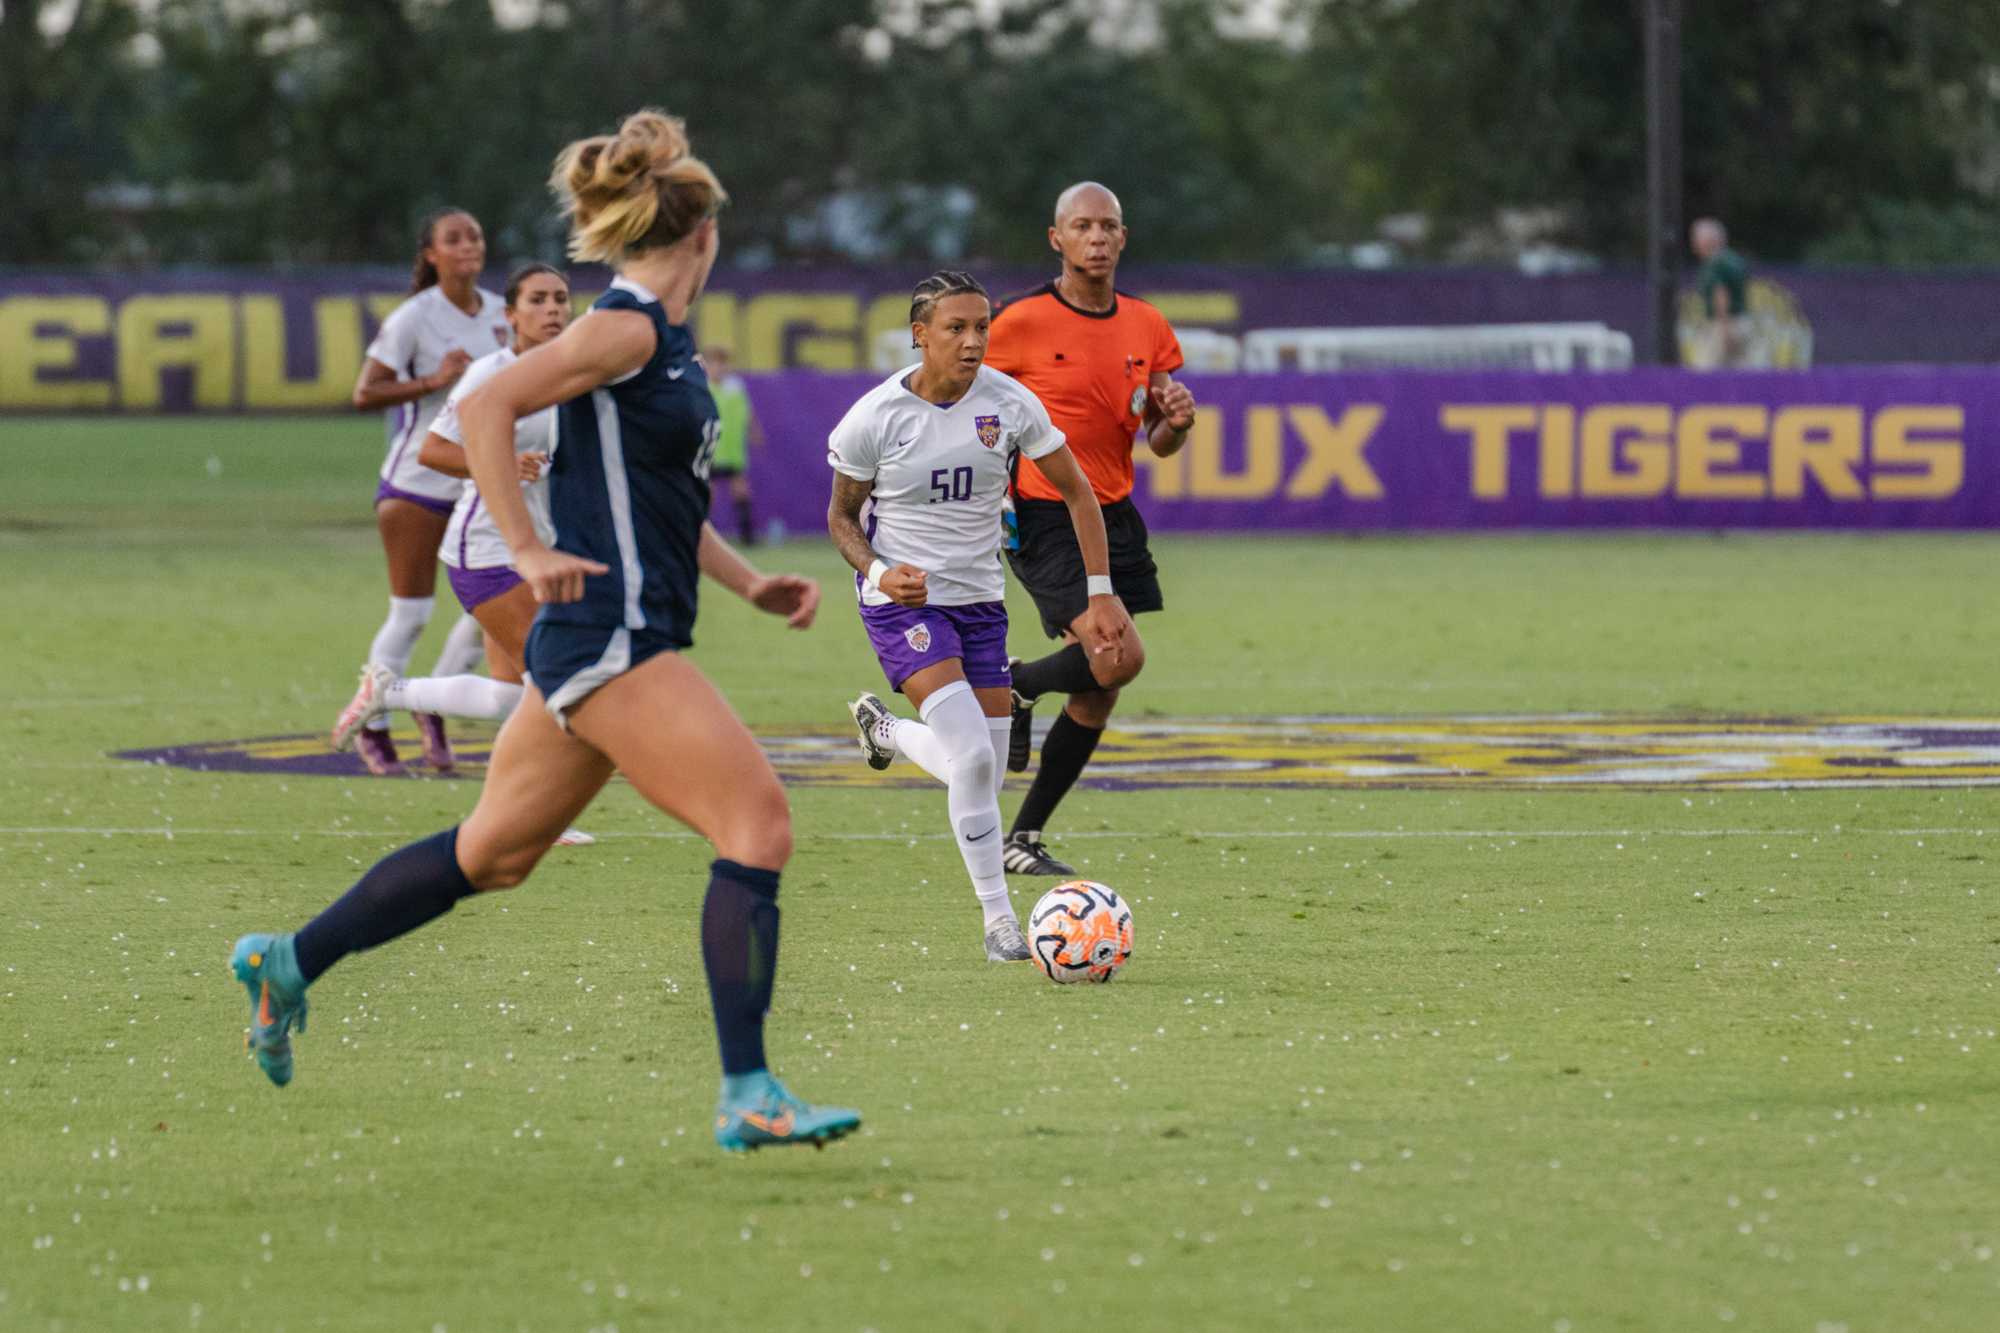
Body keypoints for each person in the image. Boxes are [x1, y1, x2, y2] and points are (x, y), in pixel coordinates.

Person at [230, 108, 860, 1153]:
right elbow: (484, 411)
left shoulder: (657, 344)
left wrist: (748, 585)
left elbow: (662, 502)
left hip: (607, 633)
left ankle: (285, 961)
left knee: (493, 853)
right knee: (757, 827)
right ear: (702, 238)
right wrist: (521, 547)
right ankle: (747, 1089)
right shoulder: (621, 329)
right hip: (606, 634)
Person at [827, 271, 1126, 960]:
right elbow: (840, 517)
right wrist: (877, 571)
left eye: (981, 326)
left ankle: (889, 731)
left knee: (983, 771)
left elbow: (1080, 494)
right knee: (969, 757)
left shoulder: (1010, 404)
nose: (972, 341)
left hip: (980, 603)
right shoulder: (874, 417)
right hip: (903, 604)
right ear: (920, 335)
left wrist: (1101, 590)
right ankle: (999, 924)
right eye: (956, 328)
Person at [330, 260, 595, 847]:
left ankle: (389, 692)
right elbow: (434, 452)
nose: (554, 309)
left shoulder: (571, 374)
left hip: (535, 548)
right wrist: (499, 462)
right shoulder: (490, 375)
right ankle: (538, 817)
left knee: (512, 696)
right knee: (558, 680)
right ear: (511, 316)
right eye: (539, 300)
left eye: (561, 298)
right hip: (486, 551)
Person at [983, 181, 1197, 876]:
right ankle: (1014, 683)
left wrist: (1175, 423)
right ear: (1058, 239)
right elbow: (963, 409)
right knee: (1120, 657)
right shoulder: (1017, 323)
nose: (1097, 238)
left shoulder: (1148, 326)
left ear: (1123, 237)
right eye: (1083, 227)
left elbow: (1158, 442)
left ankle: (1023, 839)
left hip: (1113, 512)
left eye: (1109, 226)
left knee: (1100, 688)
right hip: (1043, 512)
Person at [346, 207, 510, 776]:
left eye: (476, 235)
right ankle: (374, 722)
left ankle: (432, 701)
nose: (469, 245)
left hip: (481, 481)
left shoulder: (500, 313)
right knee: (411, 612)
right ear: (431, 254)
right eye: (454, 238)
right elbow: (364, 393)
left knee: (491, 607)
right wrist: (434, 382)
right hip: (417, 481)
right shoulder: (415, 317)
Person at [703, 345, 763, 544]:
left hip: (732, 449)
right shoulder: (703, 387)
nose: (719, 368)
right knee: (707, 493)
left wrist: (754, 430)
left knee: (741, 489)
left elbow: (747, 412)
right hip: (710, 448)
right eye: (714, 363)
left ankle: (747, 536)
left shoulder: (735, 387)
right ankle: (703, 536)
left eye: (722, 363)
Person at [1690, 217, 1752, 368]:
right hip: (1743, 322)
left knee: (1704, 373)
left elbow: (1721, 294)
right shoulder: (1734, 259)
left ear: (1710, 239)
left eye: (1697, 237)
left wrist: (1724, 329)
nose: (1694, 242)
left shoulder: (1715, 263)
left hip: (1723, 324)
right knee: (1740, 371)